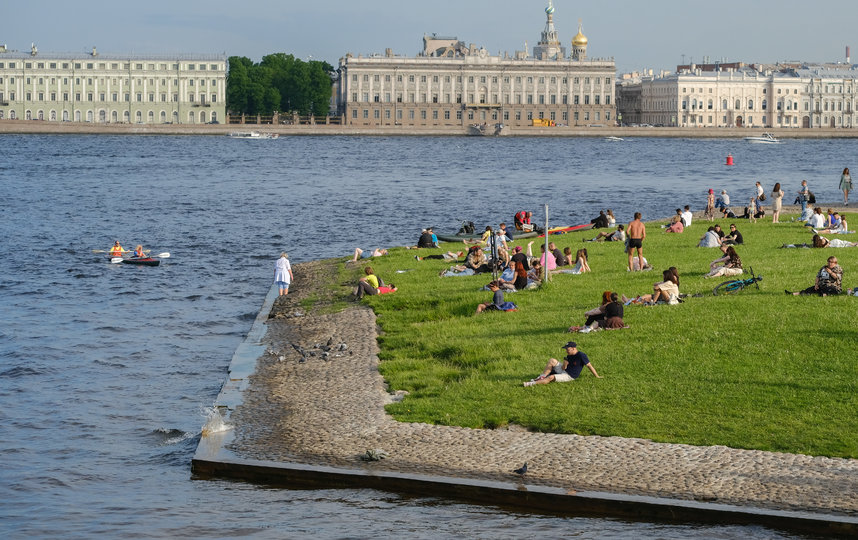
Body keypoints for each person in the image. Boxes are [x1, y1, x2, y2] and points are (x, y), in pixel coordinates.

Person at [523, 342, 601, 386]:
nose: (566, 351)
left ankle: (531, 383)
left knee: (551, 377)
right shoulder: (569, 356)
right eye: (566, 349)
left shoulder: (581, 356)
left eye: (568, 349)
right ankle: (541, 377)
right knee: (552, 360)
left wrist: (596, 376)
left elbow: (589, 366)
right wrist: (564, 364)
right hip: (565, 370)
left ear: (574, 348)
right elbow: (563, 368)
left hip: (570, 375)